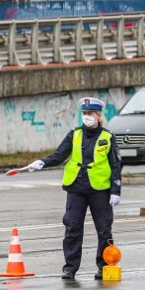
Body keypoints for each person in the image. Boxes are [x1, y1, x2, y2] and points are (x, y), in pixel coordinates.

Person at [25, 97, 122, 280]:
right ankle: (70, 268)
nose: (87, 117)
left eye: (90, 114)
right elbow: (59, 155)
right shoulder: (74, 134)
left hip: (99, 190)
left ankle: (104, 266)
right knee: (72, 228)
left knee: (104, 230)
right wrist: (42, 163)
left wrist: (116, 191)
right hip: (76, 188)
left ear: (99, 115)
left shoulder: (107, 137)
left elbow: (116, 165)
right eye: (84, 114)